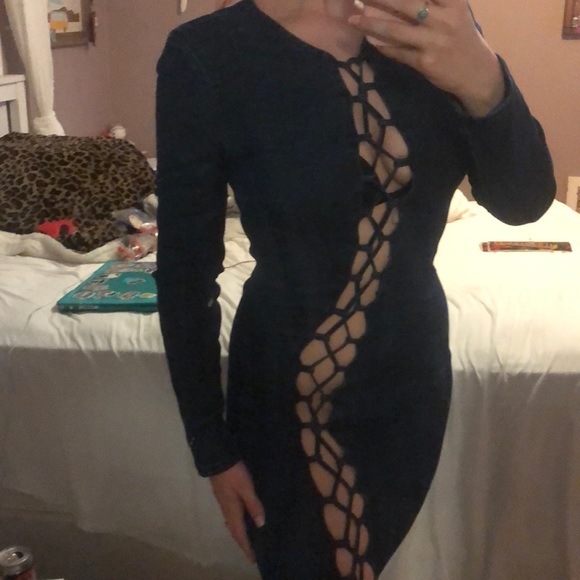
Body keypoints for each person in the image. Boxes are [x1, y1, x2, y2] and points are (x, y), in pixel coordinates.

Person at [155, 0, 556, 578]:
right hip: (283, 398)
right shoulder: (208, 53)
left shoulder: (436, 23)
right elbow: (184, 272)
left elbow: (523, 202)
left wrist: (484, 79)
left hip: (411, 388)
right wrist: (212, 450)